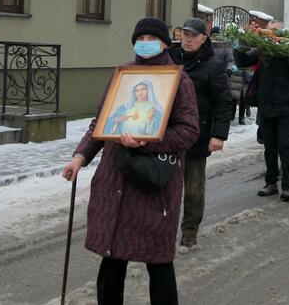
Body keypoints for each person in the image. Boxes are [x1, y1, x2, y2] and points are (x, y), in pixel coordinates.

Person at [62, 17, 200, 305]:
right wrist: (80, 157)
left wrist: (148, 141)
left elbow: (189, 131)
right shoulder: (123, 76)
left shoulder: (178, 79)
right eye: (142, 39)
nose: (146, 44)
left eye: (153, 39)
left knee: (159, 260)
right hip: (116, 180)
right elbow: (100, 123)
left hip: (152, 184)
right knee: (112, 258)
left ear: (165, 43)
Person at [169, 18, 233, 248]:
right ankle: (163, 231)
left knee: (194, 189)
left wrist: (219, 135)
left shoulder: (213, 65)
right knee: (164, 186)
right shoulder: (170, 58)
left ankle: (189, 232)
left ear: (204, 38)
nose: (187, 39)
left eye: (193, 35)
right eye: (184, 34)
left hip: (197, 135)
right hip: (169, 135)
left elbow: (224, 103)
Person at [235, 24, 289, 201]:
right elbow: (242, 61)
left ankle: (288, 186)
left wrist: (288, 52)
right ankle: (271, 183)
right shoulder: (262, 51)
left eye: (276, 32)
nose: (271, 34)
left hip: (286, 107)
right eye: (269, 31)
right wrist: (242, 43)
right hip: (266, 106)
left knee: (286, 148)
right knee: (269, 148)